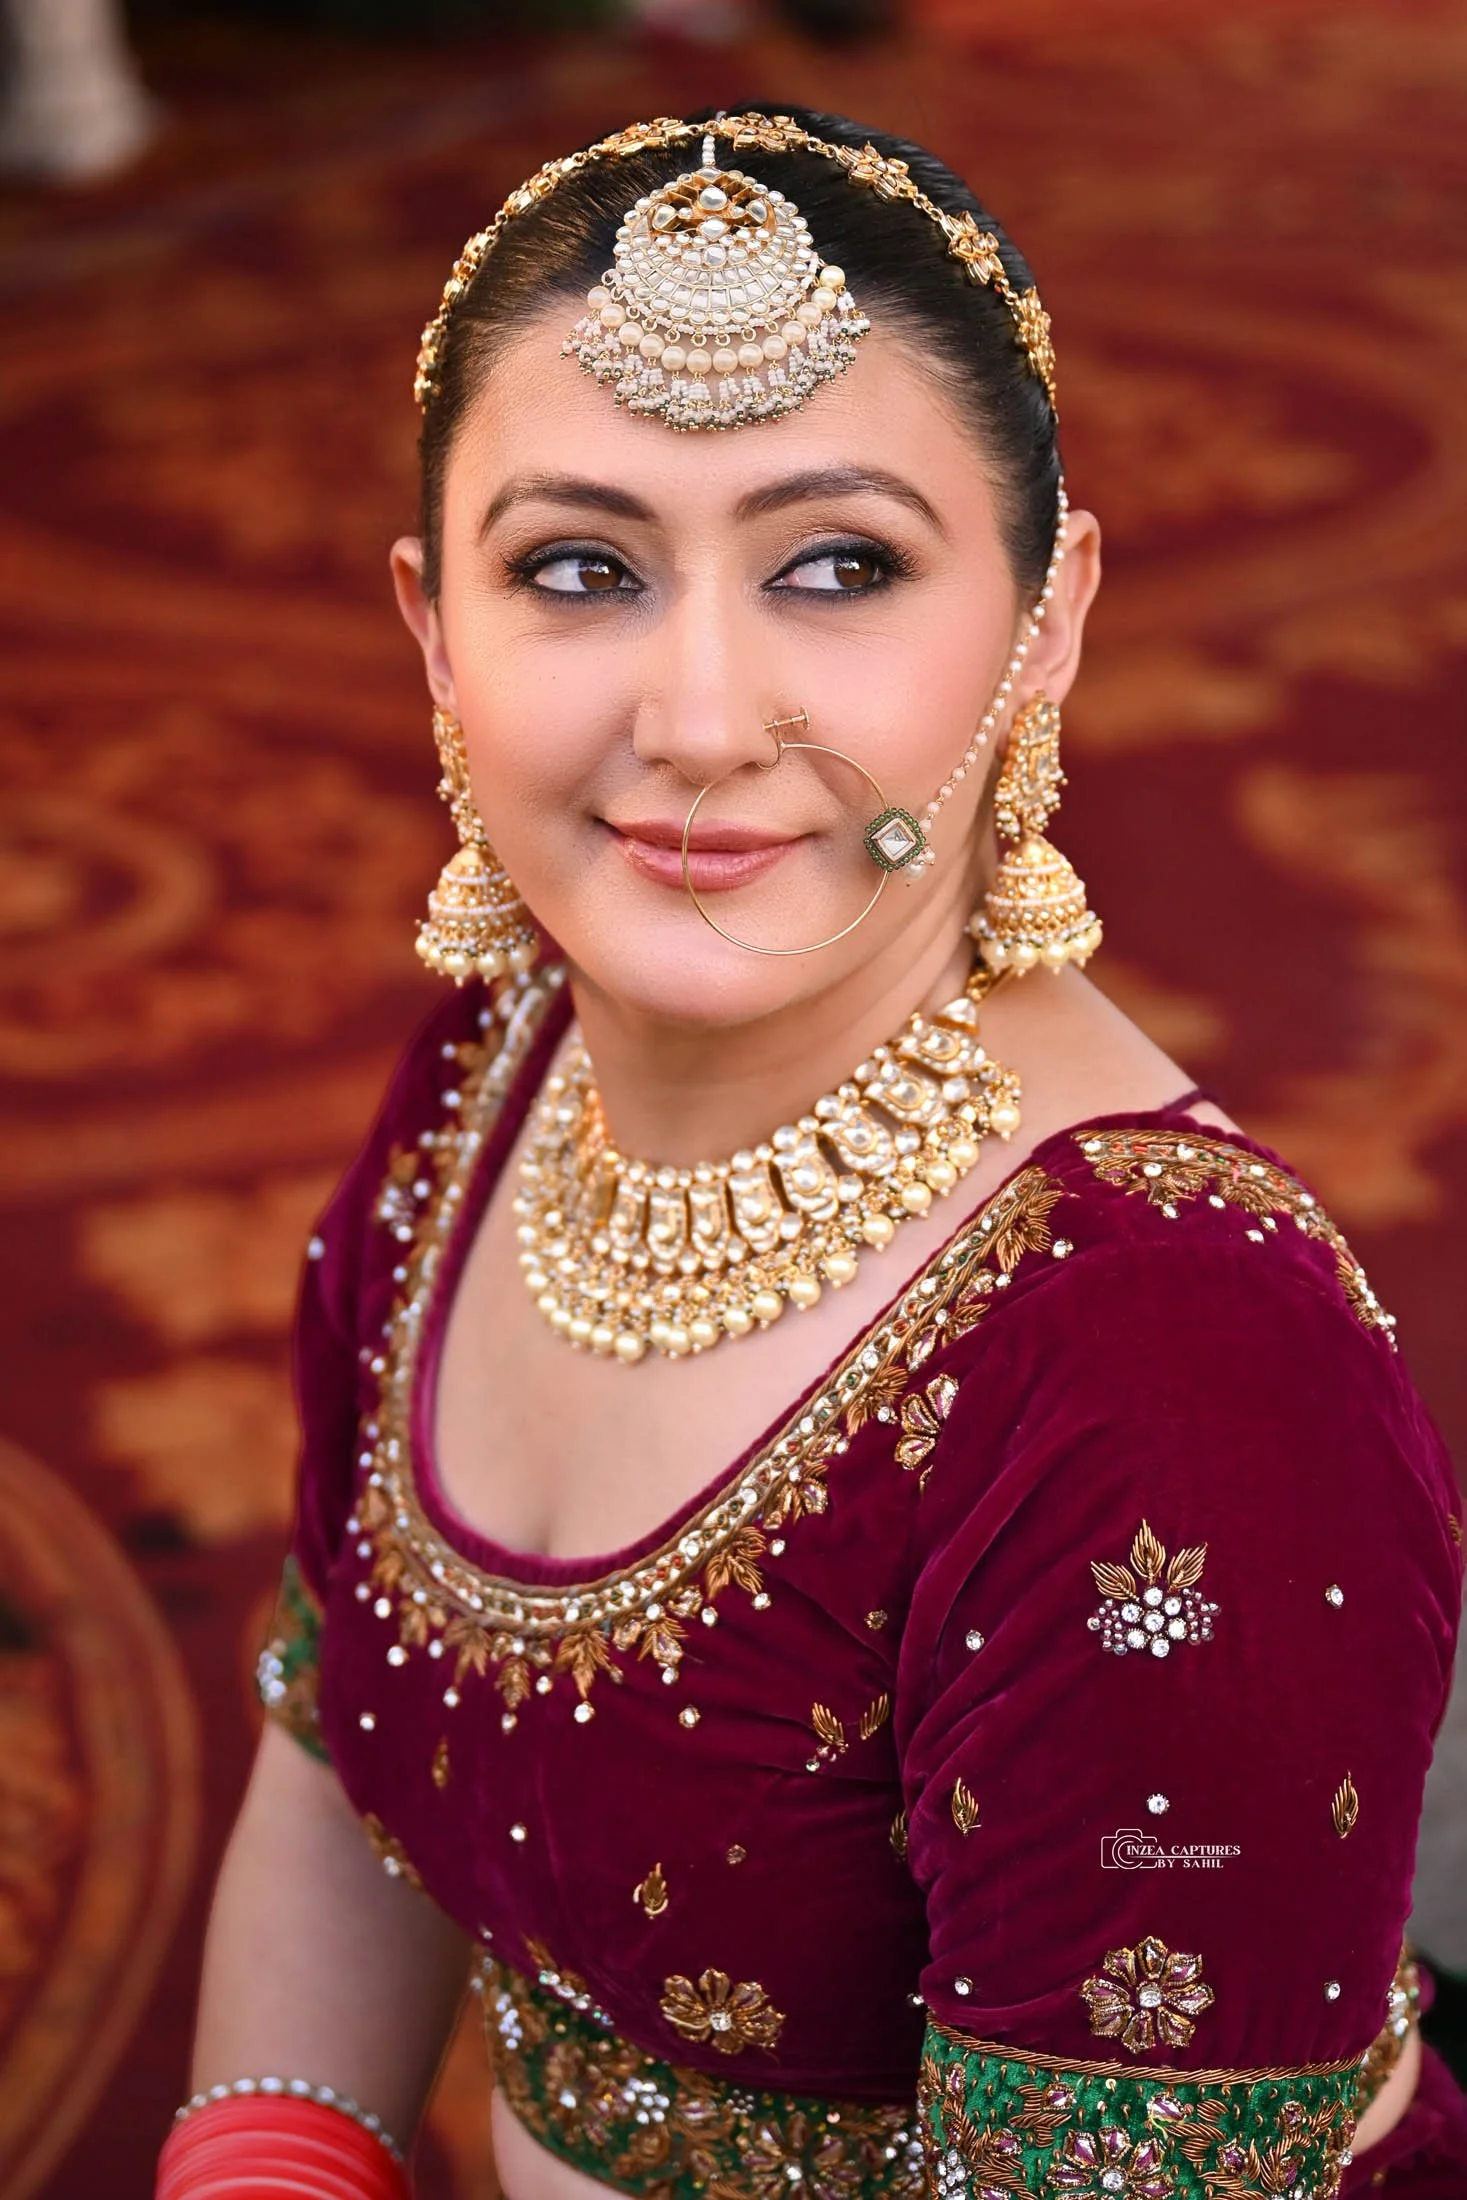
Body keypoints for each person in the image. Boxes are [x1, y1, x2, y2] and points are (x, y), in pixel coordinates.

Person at [158, 107, 1467, 2200]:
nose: (695, 715)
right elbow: (345, 1755)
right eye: (577, 567)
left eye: (835, 565)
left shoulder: (1170, 1377)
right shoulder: (502, 1067)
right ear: (432, 635)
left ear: (1042, 621)